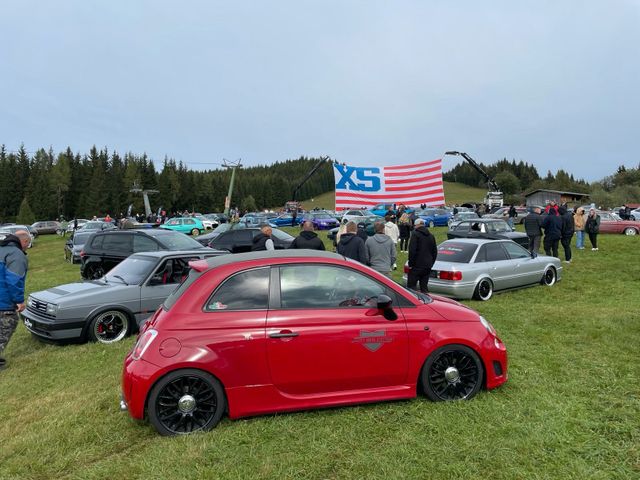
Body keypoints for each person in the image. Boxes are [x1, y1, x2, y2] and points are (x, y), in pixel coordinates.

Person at [0, 230, 30, 370]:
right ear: (24, 242)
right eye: (28, 244)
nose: (27, 247)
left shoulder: (2, 249)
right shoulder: (16, 255)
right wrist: (19, 300)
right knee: (8, 323)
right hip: (3, 301)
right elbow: (14, 280)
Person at [407, 218, 438, 293]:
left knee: (411, 287)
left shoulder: (415, 234)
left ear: (417, 225)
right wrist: (431, 263)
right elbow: (435, 251)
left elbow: (412, 250)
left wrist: (411, 264)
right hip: (427, 265)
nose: (414, 227)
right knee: (424, 287)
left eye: (414, 226)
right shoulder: (431, 236)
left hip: (417, 265)